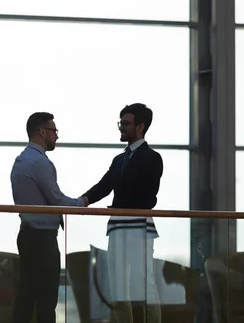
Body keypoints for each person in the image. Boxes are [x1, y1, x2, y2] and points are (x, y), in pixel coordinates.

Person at [81, 103, 163, 323]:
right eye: (121, 123)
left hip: (138, 228)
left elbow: (149, 198)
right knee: (118, 290)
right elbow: (104, 185)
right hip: (118, 228)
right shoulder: (119, 160)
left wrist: (120, 207)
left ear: (140, 127)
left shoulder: (152, 157)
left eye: (126, 123)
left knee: (145, 286)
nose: (121, 127)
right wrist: (83, 201)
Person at [11, 112, 89, 323]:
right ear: (42, 132)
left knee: (27, 295)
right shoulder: (39, 163)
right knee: (46, 299)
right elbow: (57, 199)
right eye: (54, 131)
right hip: (42, 239)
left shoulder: (21, 160)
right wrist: (82, 203)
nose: (56, 136)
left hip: (27, 235)